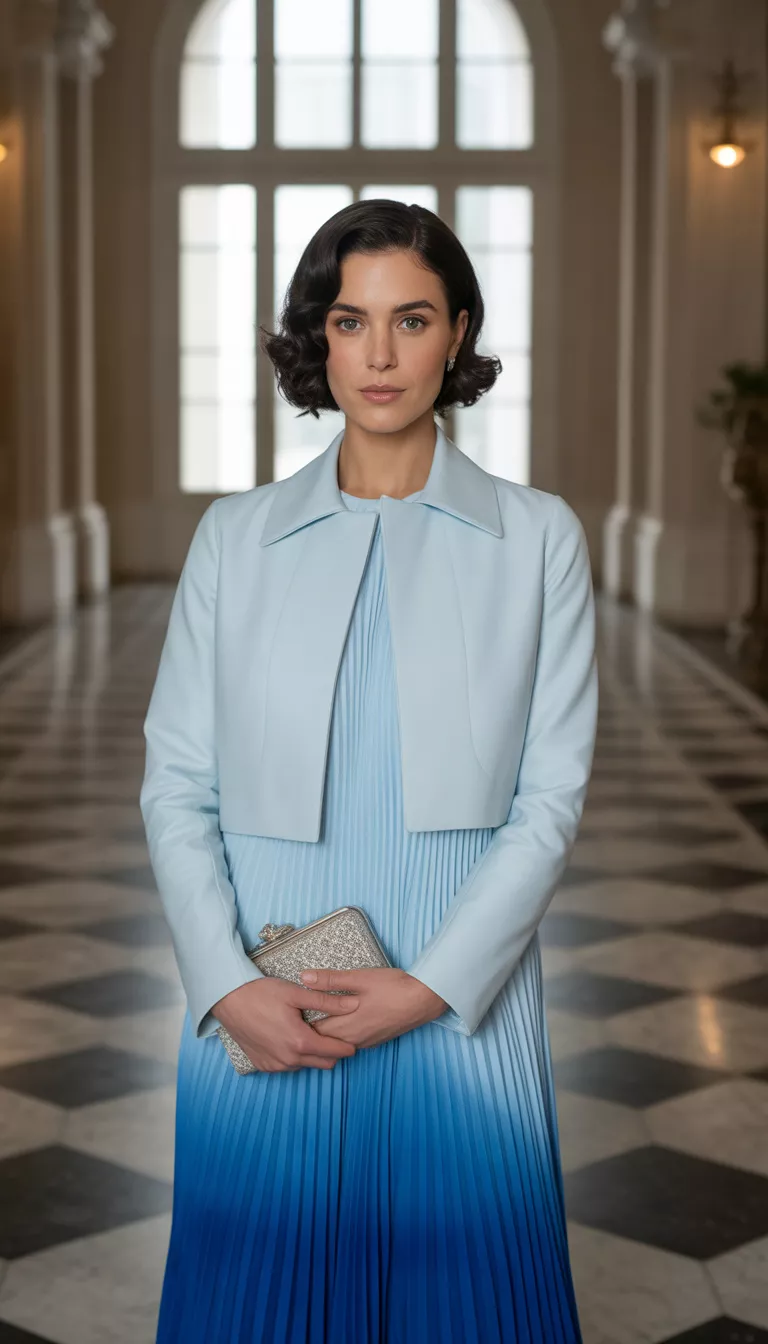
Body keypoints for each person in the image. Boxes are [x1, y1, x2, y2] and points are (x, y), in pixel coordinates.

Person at [140, 198, 598, 1343]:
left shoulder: (540, 538)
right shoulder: (233, 539)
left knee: (471, 1287)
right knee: (258, 1287)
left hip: (460, 991)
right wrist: (224, 983)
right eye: (351, 322)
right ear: (320, 339)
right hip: (268, 980)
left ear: (457, 336)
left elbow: (550, 801)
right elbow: (177, 786)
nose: (381, 355)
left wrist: (434, 984)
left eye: (413, 320)